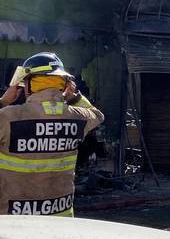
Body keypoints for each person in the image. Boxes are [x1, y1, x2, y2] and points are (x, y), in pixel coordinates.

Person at [0, 52, 104, 216]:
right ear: (65, 85)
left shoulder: (8, 116)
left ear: (27, 85)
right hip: (61, 216)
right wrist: (75, 97)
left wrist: (3, 101)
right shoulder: (78, 116)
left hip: (15, 219)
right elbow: (97, 115)